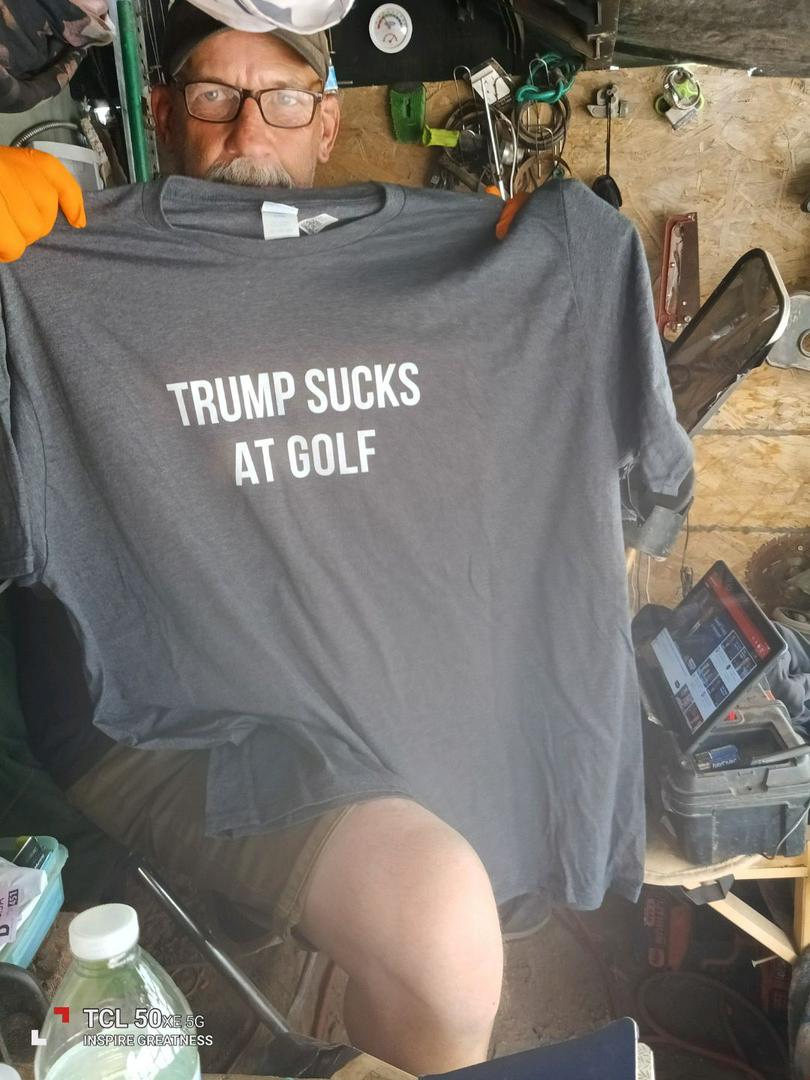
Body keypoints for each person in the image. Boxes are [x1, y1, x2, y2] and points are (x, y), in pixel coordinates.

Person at [7, 3, 506, 1074]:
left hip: (329, 683)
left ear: (325, 123)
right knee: (443, 926)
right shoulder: (62, 265)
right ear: (161, 112)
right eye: (214, 95)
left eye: (280, 97)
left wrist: (522, 284)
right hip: (152, 714)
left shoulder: (402, 286)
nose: (246, 131)